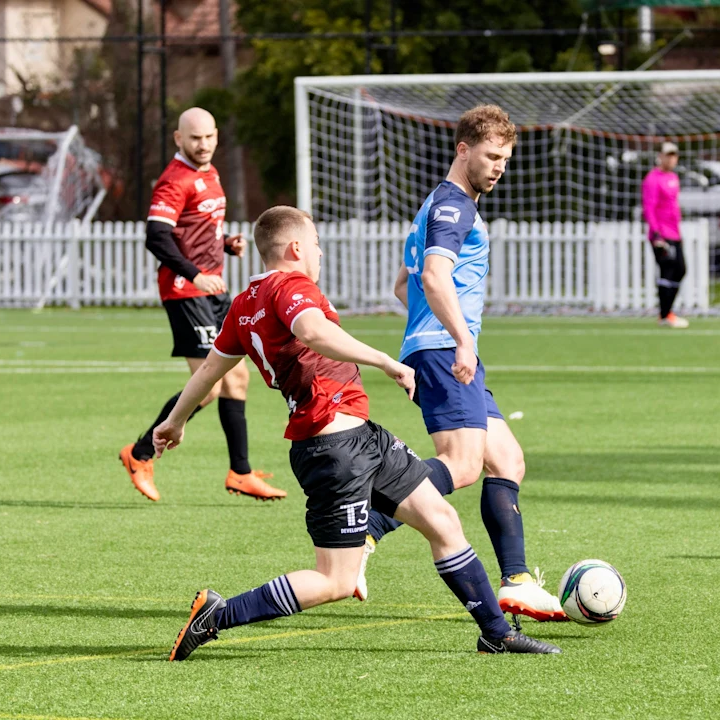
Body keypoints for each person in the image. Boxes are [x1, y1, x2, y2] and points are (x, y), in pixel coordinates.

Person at [156, 206, 560, 659]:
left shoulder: (244, 303)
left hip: (362, 437)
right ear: (294, 248)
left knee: (443, 521)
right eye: (314, 243)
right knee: (336, 581)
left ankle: (496, 633)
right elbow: (312, 330)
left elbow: (212, 367)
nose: (320, 252)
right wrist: (385, 361)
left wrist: (175, 421)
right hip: (332, 447)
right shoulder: (289, 286)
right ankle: (218, 614)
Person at [360, 104, 566, 623]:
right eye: (491, 156)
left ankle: (516, 581)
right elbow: (431, 278)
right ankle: (366, 525)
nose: (499, 166)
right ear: (463, 149)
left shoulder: (440, 204)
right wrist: (458, 342)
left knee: (508, 461)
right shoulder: (455, 207)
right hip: (446, 352)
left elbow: (399, 285)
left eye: (505, 159)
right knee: (463, 465)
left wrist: (429, 337)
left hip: (437, 347)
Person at [118, 107, 285, 502]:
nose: (204, 144)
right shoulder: (173, 181)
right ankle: (140, 454)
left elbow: (196, 228)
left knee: (238, 380)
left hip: (213, 289)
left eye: (210, 137)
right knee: (208, 386)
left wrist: (226, 243)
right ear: (179, 139)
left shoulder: (209, 173)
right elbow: (157, 237)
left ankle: (240, 473)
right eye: (195, 138)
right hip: (186, 291)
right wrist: (194, 273)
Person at [641, 141, 690, 329]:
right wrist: (656, 234)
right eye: (668, 155)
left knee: (680, 270)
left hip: (674, 232)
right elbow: (649, 208)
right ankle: (665, 314)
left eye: (674, 155)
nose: (671, 159)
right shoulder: (652, 179)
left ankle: (667, 312)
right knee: (668, 270)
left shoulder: (674, 178)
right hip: (660, 234)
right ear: (660, 156)